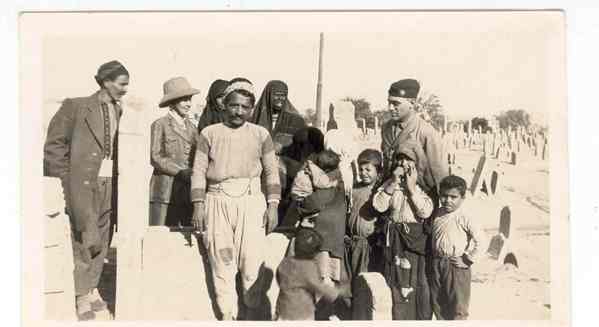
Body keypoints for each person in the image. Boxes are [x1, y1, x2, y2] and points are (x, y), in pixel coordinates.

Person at [44, 60, 129, 320]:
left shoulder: (120, 110)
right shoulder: (76, 106)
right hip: (82, 184)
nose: (125, 90)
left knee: (103, 237)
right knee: (84, 235)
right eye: (121, 84)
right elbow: (54, 147)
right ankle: (81, 295)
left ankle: (91, 288)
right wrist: (64, 181)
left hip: (109, 184)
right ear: (105, 81)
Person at [190, 78, 280, 320]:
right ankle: (227, 315)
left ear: (251, 109)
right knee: (222, 263)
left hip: (251, 202)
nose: (239, 111)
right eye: (234, 105)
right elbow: (198, 171)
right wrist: (198, 206)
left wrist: (273, 206)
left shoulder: (261, 134)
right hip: (216, 201)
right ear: (224, 106)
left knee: (252, 264)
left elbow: (271, 172)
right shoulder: (209, 134)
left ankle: (250, 315)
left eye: (244, 107)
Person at [372, 139, 435, 320]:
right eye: (399, 159)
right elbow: (379, 206)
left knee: (414, 284)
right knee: (395, 283)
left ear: (417, 162)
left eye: (408, 159)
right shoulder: (390, 183)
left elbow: (425, 212)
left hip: (414, 243)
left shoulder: (423, 186)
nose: (403, 163)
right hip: (394, 242)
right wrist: (393, 183)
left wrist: (411, 188)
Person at [429, 175, 485, 320]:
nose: (448, 200)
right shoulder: (437, 213)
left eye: (453, 197)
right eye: (444, 196)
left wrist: (467, 260)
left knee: (458, 307)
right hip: (436, 263)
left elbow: (482, 241)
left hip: (455, 266)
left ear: (462, 197)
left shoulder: (465, 216)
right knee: (438, 304)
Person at [380, 79, 448, 197]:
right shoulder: (386, 128)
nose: (390, 108)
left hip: (416, 197)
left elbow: (438, 171)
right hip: (389, 193)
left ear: (412, 103)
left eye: (396, 103)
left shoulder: (426, 132)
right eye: (389, 103)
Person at [149, 77, 200, 226]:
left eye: (189, 99)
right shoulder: (160, 124)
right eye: (184, 100)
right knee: (160, 236)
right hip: (164, 192)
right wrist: (180, 172)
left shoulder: (192, 128)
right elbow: (155, 157)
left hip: (186, 191)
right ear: (172, 102)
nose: (188, 104)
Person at [275, 228, 351, 321]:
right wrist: (338, 291)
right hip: (302, 313)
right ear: (314, 252)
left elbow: (279, 279)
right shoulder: (308, 267)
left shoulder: (285, 262)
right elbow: (318, 287)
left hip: (283, 309)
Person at [345, 149, 384, 278]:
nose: (363, 173)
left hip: (367, 244)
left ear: (378, 172)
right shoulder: (355, 188)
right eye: (361, 170)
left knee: (363, 277)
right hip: (351, 241)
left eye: (368, 170)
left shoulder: (378, 192)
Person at [252, 80, 306, 152]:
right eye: (276, 95)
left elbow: (303, 146)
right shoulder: (254, 117)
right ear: (268, 96)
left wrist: (283, 148)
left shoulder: (296, 120)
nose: (280, 98)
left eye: (283, 95)